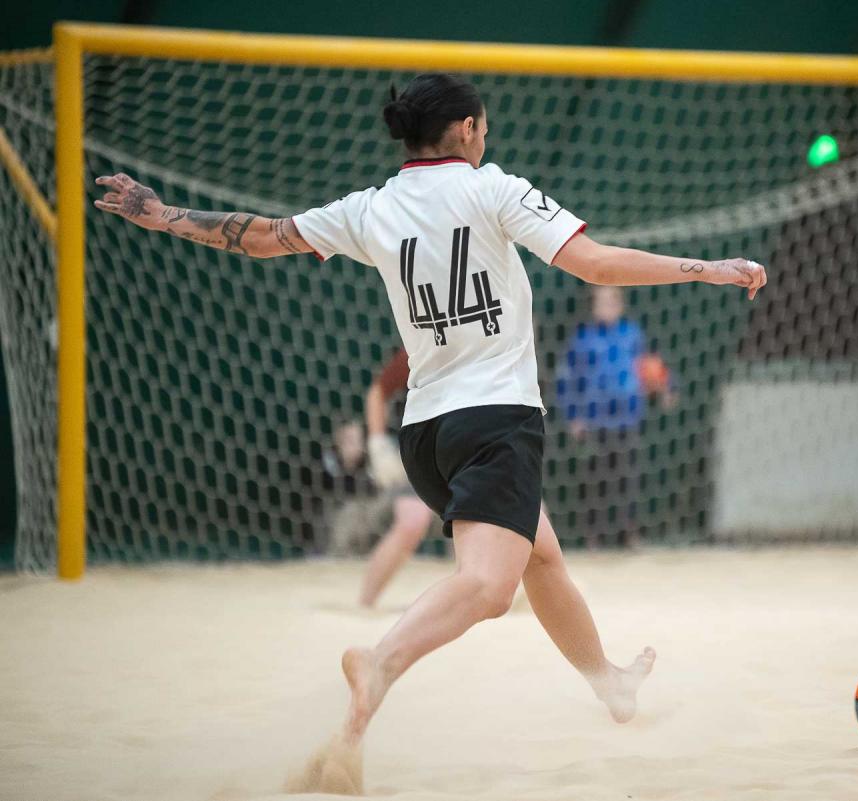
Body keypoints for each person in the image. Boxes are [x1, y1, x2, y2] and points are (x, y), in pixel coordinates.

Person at [93, 73, 766, 749]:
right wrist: (708, 268)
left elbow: (264, 236)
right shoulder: (493, 188)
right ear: (468, 129)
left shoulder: (371, 207)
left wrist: (161, 213)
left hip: (425, 435)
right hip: (496, 420)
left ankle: (609, 683)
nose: (486, 136)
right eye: (485, 125)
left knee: (541, 557)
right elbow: (595, 264)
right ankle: (380, 661)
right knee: (490, 587)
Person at [557, 286, 674, 548]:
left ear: (620, 306)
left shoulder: (632, 334)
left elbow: (650, 365)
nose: (605, 307)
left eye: (610, 302)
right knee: (595, 479)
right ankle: (593, 537)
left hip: (627, 417)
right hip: (595, 419)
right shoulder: (583, 338)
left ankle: (629, 535)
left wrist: (666, 386)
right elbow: (568, 379)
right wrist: (573, 416)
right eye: (600, 302)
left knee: (627, 478)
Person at [324, 349, 437, 608]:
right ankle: (365, 604)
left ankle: (493, 602)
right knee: (412, 520)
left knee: (488, 523)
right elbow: (378, 391)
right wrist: (377, 443)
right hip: (423, 453)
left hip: (471, 449)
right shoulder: (423, 343)